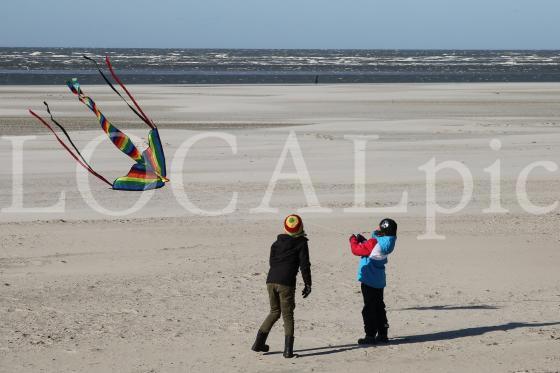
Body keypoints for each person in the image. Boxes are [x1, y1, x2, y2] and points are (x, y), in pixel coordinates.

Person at [251, 214, 312, 358]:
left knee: (274, 312)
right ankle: (288, 351)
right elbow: (305, 265)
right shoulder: (301, 243)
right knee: (287, 315)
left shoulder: (276, 243)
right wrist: (308, 283)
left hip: (271, 280)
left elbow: (272, 262)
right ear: (301, 227)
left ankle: (258, 344)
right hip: (286, 283)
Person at [349, 218, 397, 344]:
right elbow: (371, 247)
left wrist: (353, 240)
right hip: (379, 280)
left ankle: (370, 335)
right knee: (379, 306)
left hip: (369, 280)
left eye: (379, 228)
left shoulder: (375, 242)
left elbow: (357, 250)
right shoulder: (387, 242)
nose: (377, 229)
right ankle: (382, 333)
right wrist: (364, 241)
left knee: (369, 308)